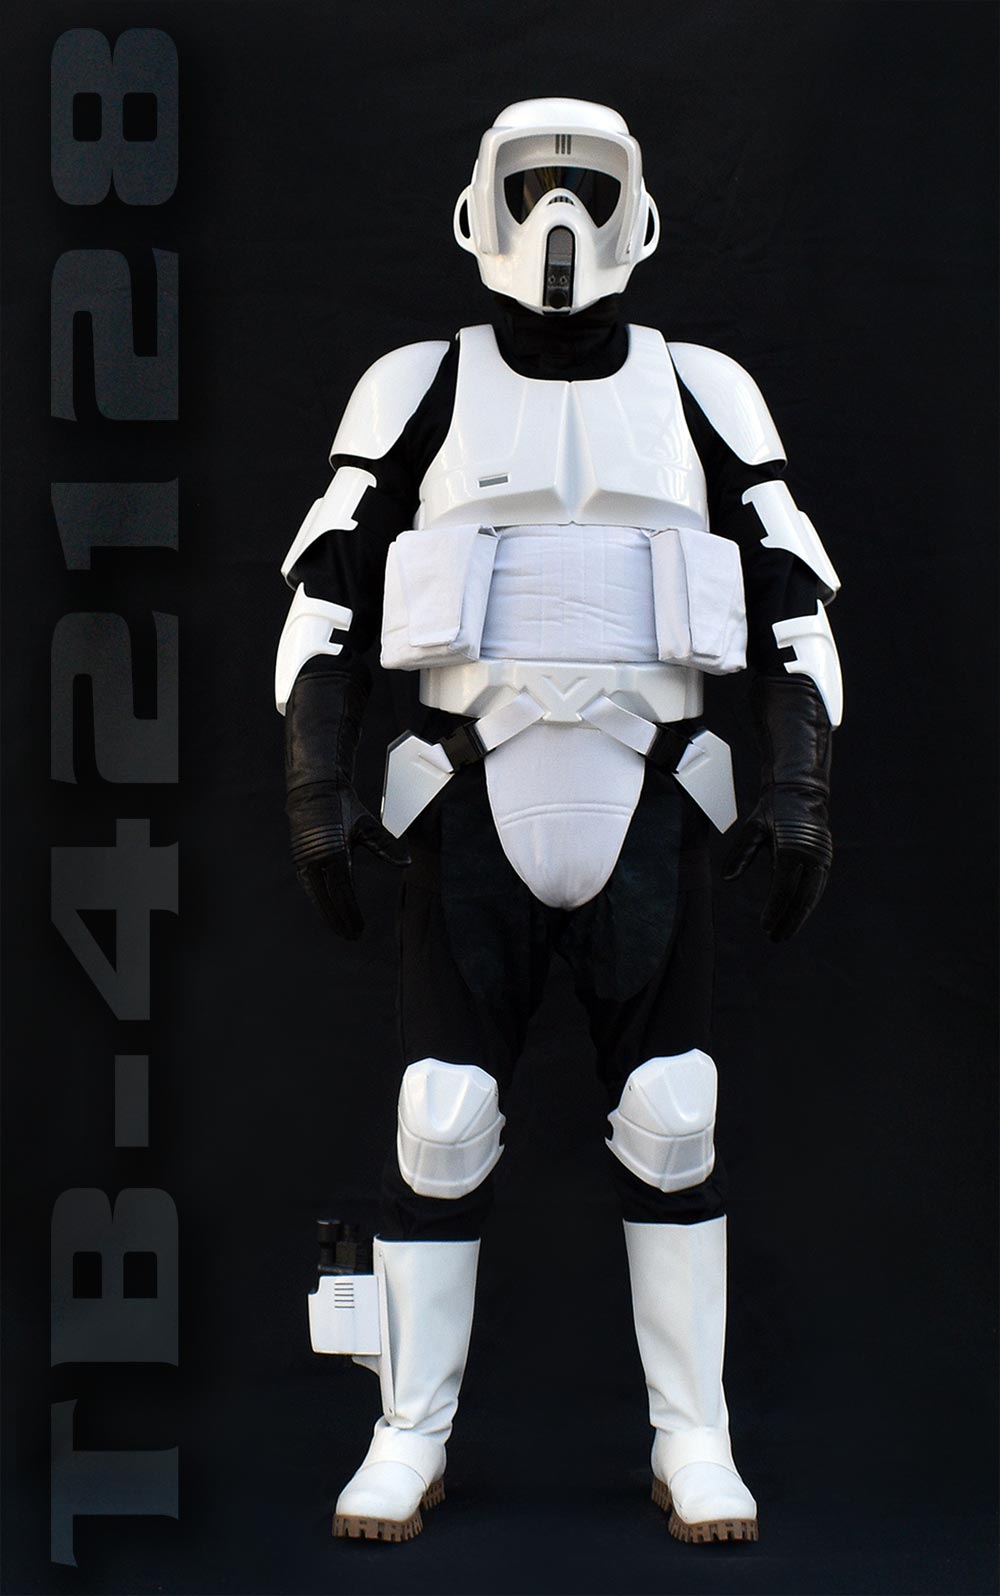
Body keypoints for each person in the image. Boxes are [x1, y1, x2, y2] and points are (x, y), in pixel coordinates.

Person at [276, 97, 842, 1546]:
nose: (561, 219)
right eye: (535, 184)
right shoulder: (417, 388)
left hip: (653, 804)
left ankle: (693, 1437)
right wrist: (316, 780)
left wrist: (798, 780)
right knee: (441, 1120)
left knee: (675, 1115)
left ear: (637, 210)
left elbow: (790, 589)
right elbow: (329, 588)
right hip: (468, 803)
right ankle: (408, 1435)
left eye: (588, 185)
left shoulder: (704, 390)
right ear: (482, 206)